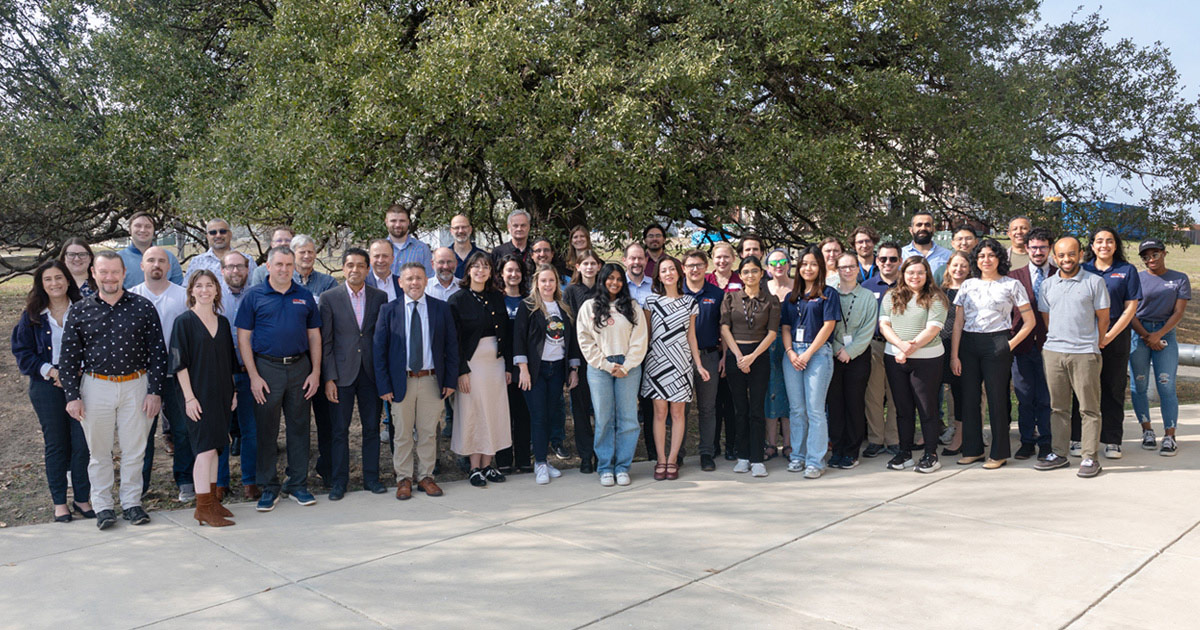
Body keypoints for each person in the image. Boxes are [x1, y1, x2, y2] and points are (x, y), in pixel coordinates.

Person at [60, 251, 166, 530]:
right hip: (96, 387)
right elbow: (69, 357)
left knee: (135, 450)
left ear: (124, 273)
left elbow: (157, 352)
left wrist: (155, 391)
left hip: (136, 386)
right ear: (94, 273)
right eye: (103, 272)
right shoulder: (80, 310)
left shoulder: (143, 307)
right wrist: (72, 396)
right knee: (99, 453)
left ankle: (132, 503)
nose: (109, 277)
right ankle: (104, 506)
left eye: (114, 272)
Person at [235, 245, 322, 512]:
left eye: (289, 264)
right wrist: (253, 376)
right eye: (279, 264)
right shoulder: (254, 296)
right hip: (266, 370)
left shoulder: (304, 296)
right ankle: (268, 487)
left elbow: (315, 336)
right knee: (266, 430)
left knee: (299, 428)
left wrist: (316, 372)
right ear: (268, 267)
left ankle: (297, 484)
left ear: (294, 267)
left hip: (299, 369)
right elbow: (243, 338)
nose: (284, 269)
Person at [10, 261, 93, 523]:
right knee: (57, 444)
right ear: (41, 285)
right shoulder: (33, 315)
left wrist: (76, 371)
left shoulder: (84, 310)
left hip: (81, 383)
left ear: (68, 280)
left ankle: (82, 498)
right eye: (48, 279)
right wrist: (52, 371)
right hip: (46, 386)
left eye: (59, 278)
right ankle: (59, 502)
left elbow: (96, 345)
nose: (55, 283)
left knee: (82, 444)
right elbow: (22, 353)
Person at [375, 262, 459, 500]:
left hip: (432, 380)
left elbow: (452, 347)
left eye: (419, 278)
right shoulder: (388, 311)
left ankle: (425, 477)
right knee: (401, 433)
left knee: (428, 433)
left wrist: (450, 380)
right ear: (400, 283)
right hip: (401, 382)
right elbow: (379, 351)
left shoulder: (440, 309)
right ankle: (403, 478)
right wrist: (384, 386)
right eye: (409, 278)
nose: (414, 282)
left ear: (426, 280)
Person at [950, 238, 1035, 468]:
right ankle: (973, 449)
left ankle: (999, 453)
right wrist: (954, 355)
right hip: (969, 343)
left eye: (991, 255)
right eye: (981, 256)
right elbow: (958, 323)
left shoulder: (1012, 285)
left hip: (998, 342)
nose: (986, 260)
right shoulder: (968, 285)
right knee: (969, 399)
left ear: (999, 258)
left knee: (997, 398)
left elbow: (1029, 322)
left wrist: (1009, 344)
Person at [1035, 237, 1109, 477]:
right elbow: (1047, 319)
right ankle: (1059, 453)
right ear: (1054, 258)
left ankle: (1089, 457)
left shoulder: (1095, 282)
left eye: (1071, 254)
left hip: (1085, 353)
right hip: (1054, 352)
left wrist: (1094, 343)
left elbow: (1103, 318)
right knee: (1058, 407)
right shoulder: (1047, 285)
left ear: (1080, 254)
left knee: (1089, 409)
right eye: (1061, 255)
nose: (1066, 259)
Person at [170, 271, 238, 527]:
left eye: (209, 285)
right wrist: (189, 399)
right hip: (196, 394)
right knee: (204, 449)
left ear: (217, 291)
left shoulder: (223, 323)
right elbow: (179, 364)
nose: (204, 290)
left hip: (221, 393)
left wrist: (233, 392)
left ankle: (212, 502)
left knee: (217, 448)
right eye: (199, 286)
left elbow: (229, 361)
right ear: (191, 291)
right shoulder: (184, 322)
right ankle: (203, 508)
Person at [319, 248, 388, 500]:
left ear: (367, 269)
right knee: (339, 430)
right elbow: (326, 342)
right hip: (341, 375)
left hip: (370, 374)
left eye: (360, 265)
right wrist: (328, 378)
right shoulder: (329, 298)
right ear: (343, 268)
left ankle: (372, 478)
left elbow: (381, 338)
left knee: (371, 428)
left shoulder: (380, 297)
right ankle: (339, 481)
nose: (355, 270)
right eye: (350, 265)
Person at [130, 247, 194, 502]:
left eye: (162, 261)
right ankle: (139, 485)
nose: (156, 264)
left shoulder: (182, 296)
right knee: (142, 432)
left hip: (178, 373)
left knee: (182, 430)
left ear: (169, 267)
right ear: (142, 265)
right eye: (151, 260)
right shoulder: (132, 296)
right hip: (142, 376)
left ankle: (186, 480)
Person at [578, 262, 649, 486]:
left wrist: (626, 366)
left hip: (629, 367)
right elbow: (585, 340)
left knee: (628, 418)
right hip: (600, 368)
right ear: (603, 279)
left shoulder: (632, 307)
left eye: (619, 279)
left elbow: (640, 340)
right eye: (610, 278)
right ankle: (605, 466)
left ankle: (622, 467)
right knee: (604, 418)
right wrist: (607, 365)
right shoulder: (589, 307)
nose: (615, 283)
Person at [879, 256, 948, 473]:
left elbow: (933, 329)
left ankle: (930, 454)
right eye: (910, 272)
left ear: (927, 274)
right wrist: (900, 346)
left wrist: (908, 349)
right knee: (903, 409)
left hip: (927, 360)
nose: (915, 276)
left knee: (927, 408)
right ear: (903, 274)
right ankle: (905, 453)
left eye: (920, 272)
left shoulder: (936, 298)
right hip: (895, 357)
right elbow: (884, 325)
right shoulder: (891, 296)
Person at [449, 252, 512, 487]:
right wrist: (461, 370)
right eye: (476, 266)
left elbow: (504, 332)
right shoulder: (457, 300)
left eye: (485, 266)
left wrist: (506, 365)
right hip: (472, 366)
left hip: (495, 364)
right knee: (474, 413)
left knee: (494, 412)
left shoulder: (496, 297)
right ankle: (474, 467)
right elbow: (452, 340)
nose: (480, 270)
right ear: (468, 271)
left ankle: (488, 464)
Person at [1078, 226, 1142, 459]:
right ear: (1092, 246)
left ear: (1116, 245)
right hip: (1084, 336)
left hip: (1116, 336)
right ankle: (1079, 438)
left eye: (1109, 241)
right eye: (1099, 241)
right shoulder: (1082, 270)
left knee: (1113, 388)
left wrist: (1108, 336)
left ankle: (1112, 440)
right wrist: (1094, 336)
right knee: (1082, 389)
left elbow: (1130, 308)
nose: (1104, 245)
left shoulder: (1127, 270)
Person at [641, 257, 705, 480]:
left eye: (672, 269)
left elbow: (692, 337)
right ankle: (660, 459)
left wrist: (698, 364)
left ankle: (672, 460)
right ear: (658, 275)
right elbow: (647, 335)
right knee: (660, 413)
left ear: (680, 273)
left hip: (681, 364)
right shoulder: (650, 302)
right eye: (664, 270)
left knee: (678, 414)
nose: (668, 273)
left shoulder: (690, 302)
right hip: (657, 363)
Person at [516, 263, 581, 484]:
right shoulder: (528, 306)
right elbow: (519, 339)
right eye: (543, 280)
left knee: (552, 416)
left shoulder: (563, 308)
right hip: (536, 371)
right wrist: (523, 369)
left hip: (556, 370)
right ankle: (540, 463)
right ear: (536, 283)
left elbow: (571, 342)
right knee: (539, 417)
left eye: (551, 280)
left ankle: (546, 461)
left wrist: (573, 369)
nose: (547, 284)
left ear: (556, 283)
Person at [781, 246, 839, 478]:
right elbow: (785, 326)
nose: (808, 268)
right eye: (804, 264)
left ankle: (815, 460)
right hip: (793, 354)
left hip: (817, 355)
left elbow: (828, 326)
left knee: (815, 410)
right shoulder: (791, 296)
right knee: (797, 409)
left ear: (821, 267)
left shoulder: (828, 293)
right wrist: (791, 352)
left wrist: (807, 354)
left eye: (813, 264)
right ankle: (798, 456)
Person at [720, 256, 780, 478]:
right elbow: (725, 328)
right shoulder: (730, 298)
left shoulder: (771, 300)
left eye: (754, 271)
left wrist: (752, 357)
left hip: (759, 357)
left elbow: (772, 333)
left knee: (757, 409)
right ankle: (742, 457)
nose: (750, 275)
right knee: (739, 409)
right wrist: (738, 356)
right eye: (746, 272)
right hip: (736, 356)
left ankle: (757, 458)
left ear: (762, 273)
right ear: (740, 275)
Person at [1129, 239, 1189, 456]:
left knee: (1166, 385)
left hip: (1165, 335)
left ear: (1164, 253)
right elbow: (1131, 311)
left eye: (1155, 254)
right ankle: (1147, 431)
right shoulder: (1136, 278)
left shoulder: (1179, 278)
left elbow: (1179, 312)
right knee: (1139, 386)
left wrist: (1158, 335)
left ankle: (1170, 436)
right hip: (1139, 335)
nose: (1150, 259)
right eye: (1145, 256)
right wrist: (1146, 335)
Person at [1008, 227, 1056, 461]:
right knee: (1025, 396)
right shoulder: (1014, 276)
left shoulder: (1059, 274)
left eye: (1043, 247)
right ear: (1026, 248)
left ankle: (1046, 442)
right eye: (1034, 247)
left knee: (1046, 398)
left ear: (1050, 248)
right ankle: (1026, 441)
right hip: (1021, 346)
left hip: (1051, 346)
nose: (1038, 252)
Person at [827, 253, 876, 469]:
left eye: (851, 267)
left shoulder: (867, 297)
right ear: (837, 269)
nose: (847, 270)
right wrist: (838, 349)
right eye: (843, 267)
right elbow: (826, 324)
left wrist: (851, 351)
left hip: (858, 356)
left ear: (858, 269)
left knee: (854, 403)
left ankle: (852, 451)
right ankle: (837, 449)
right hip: (833, 355)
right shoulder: (829, 294)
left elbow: (868, 329)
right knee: (835, 404)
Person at [220, 251, 259, 498]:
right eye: (230, 267)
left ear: (248, 269)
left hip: (250, 371)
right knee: (220, 429)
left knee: (250, 429)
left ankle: (250, 481)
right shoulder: (213, 297)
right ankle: (220, 482)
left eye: (240, 267)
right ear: (222, 270)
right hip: (220, 373)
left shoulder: (257, 296)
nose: (236, 272)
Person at [682, 249, 725, 472]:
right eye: (691, 265)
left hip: (708, 356)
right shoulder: (676, 292)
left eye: (699, 265)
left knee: (708, 408)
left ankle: (706, 452)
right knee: (681, 409)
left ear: (706, 267)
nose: (695, 269)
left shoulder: (717, 294)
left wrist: (725, 356)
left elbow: (724, 328)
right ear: (684, 269)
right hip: (682, 358)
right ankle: (678, 454)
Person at [861, 241, 902, 457]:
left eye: (893, 259)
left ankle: (893, 439)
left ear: (900, 261)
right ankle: (876, 439)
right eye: (883, 259)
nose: (888, 263)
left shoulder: (907, 285)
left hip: (900, 347)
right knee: (874, 395)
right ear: (877, 261)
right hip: (875, 346)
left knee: (897, 395)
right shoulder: (867, 287)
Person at [494, 254, 533, 473]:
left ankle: (524, 459)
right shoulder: (495, 300)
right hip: (500, 366)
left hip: (525, 366)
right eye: (509, 270)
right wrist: (507, 366)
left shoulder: (529, 301)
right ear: (501, 273)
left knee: (523, 413)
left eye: (517, 270)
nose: (513, 274)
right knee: (502, 413)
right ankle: (504, 459)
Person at [564, 250, 602, 472]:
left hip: (602, 358)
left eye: (593, 263)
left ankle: (601, 454)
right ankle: (586, 456)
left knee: (601, 411)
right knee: (580, 410)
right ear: (577, 267)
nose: (589, 267)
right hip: (579, 359)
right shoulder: (570, 291)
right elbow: (569, 329)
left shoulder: (605, 289)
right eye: (584, 263)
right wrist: (573, 365)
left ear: (598, 266)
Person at [704, 241, 741, 460]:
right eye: (718, 257)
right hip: (711, 349)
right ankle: (714, 443)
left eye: (726, 257)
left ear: (733, 258)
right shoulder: (707, 280)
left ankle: (732, 445)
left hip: (735, 348)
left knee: (732, 400)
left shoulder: (740, 280)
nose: (722, 261)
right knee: (713, 401)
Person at [937, 251, 971, 456]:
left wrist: (956, 354)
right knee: (933, 391)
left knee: (959, 392)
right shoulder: (939, 291)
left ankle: (960, 436)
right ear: (949, 266)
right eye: (955, 265)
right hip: (938, 346)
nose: (959, 269)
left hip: (962, 347)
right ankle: (930, 432)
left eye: (963, 266)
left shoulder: (972, 289)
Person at [763, 249, 793, 461]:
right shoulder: (764, 288)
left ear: (789, 264)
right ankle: (771, 444)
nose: (778, 266)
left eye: (783, 261)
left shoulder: (798, 287)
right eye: (774, 263)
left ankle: (790, 444)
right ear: (767, 268)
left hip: (793, 346)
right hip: (767, 345)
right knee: (770, 394)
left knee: (792, 395)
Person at [185, 218, 256, 291]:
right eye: (213, 232)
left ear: (230, 234)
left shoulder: (247, 260)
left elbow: (256, 290)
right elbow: (186, 291)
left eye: (222, 231)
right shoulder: (196, 262)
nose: (218, 235)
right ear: (207, 237)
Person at [120, 211, 183, 288]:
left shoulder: (169, 258)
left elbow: (179, 289)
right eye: (138, 226)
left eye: (148, 226)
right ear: (129, 230)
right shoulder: (118, 259)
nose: (143, 230)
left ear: (154, 230)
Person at [384, 204, 434, 277]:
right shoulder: (378, 250)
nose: (398, 225)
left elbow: (429, 279)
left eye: (402, 221)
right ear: (386, 222)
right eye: (393, 221)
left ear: (408, 222)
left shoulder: (422, 249)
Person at [449, 214, 487, 279]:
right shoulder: (445, 256)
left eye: (464, 227)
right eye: (456, 228)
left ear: (470, 229)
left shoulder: (483, 256)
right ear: (451, 231)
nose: (460, 231)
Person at [624, 242, 653, 307]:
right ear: (624, 261)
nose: (637, 262)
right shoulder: (617, 286)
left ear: (646, 260)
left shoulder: (655, 286)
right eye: (633, 258)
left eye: (640, 258)